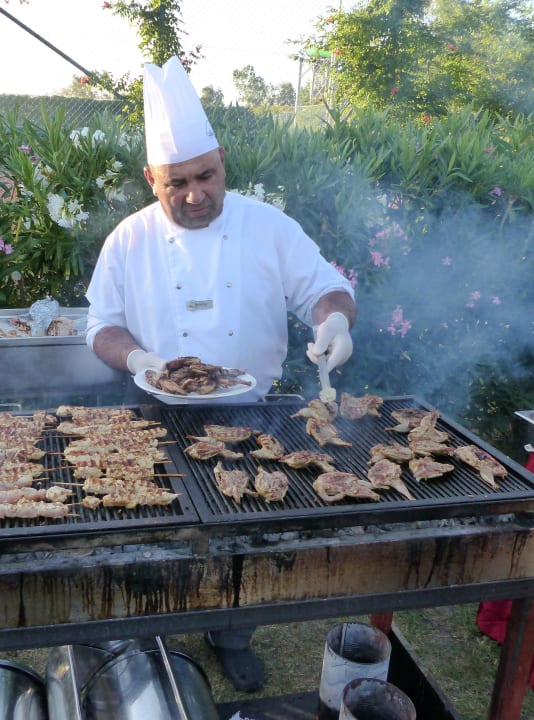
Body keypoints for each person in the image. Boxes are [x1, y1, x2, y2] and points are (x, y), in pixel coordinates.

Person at [84, 56, 357, 693]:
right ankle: (146, 637)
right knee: (150, 532)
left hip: (250, 411)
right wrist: (141, 360)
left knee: (246, 533)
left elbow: (324, 288)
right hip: (154, 411)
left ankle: (231, 634)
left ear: (223, 161)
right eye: (176, 182)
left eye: (206, 175)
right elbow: (100, 326)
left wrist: (336, 323)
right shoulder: (129, 239)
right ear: (151, 178)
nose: (194, 194)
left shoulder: (268, 227)